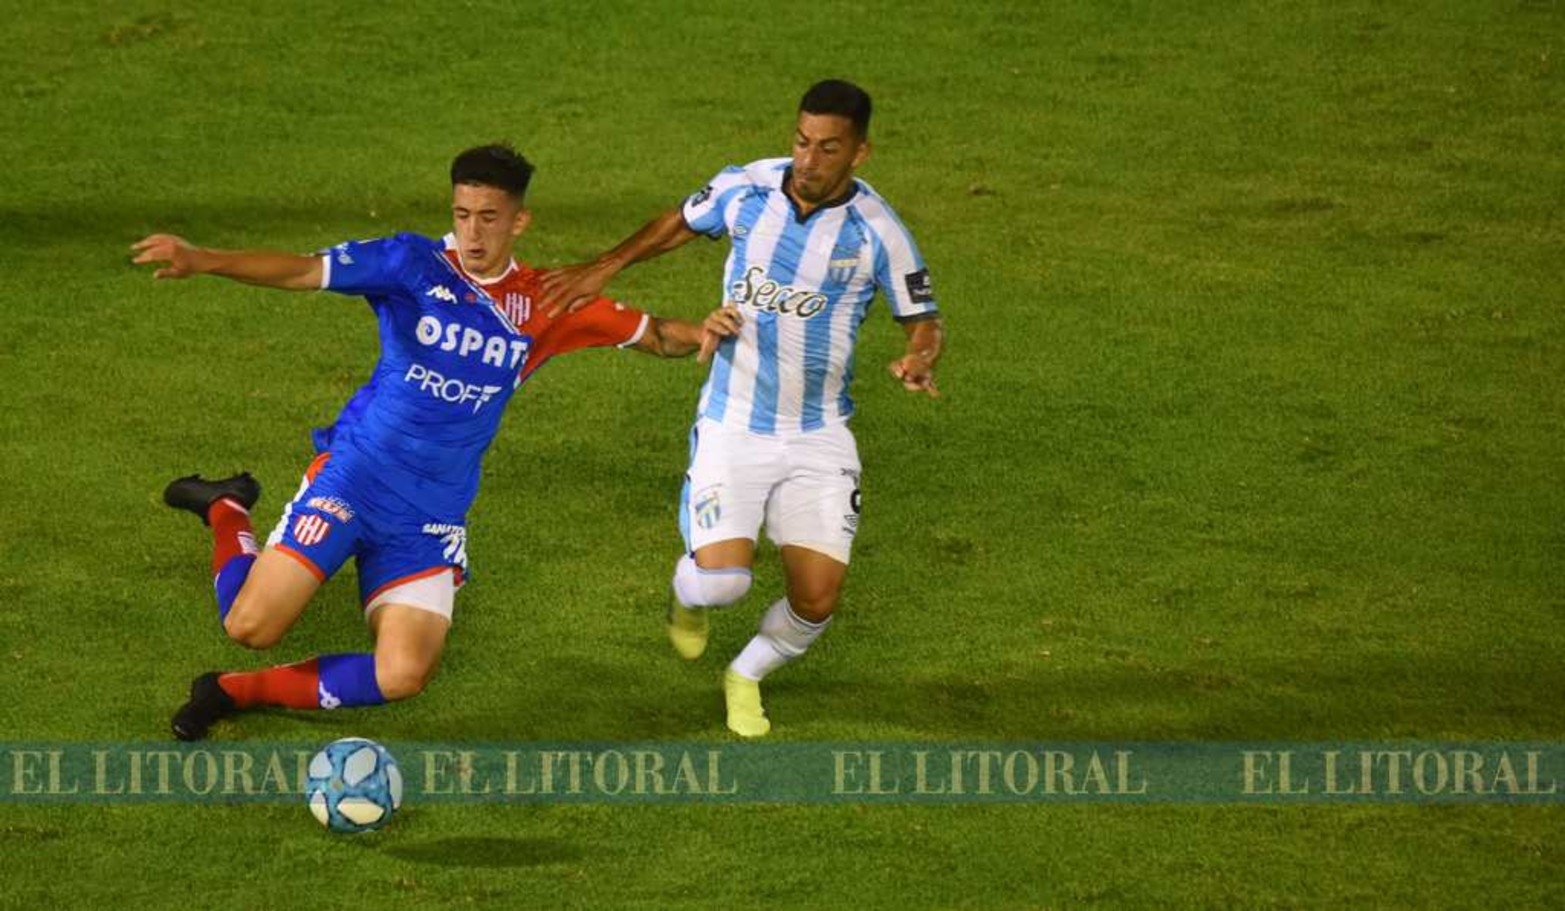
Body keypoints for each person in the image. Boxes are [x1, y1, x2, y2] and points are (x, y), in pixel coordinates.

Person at [132, 144, 725, 741]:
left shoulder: (546, 300)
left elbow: (657, 336)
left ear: (519, 221)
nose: (472, 233)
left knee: (403, 673)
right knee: (250, 626)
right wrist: (204, 259)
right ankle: (226, 508)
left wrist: (708, 332)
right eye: (462, 214)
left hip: (429, 515)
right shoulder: (410, 264)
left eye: (488, 218)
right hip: (355, 480)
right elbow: (302, 271)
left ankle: (230, 690)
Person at [539, 80, 946, 737]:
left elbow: (922, 317)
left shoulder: (877, 232)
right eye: (802, 142)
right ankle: (688, 592)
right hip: (733, 423)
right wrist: (606, 265)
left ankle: (746, 673)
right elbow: (680, 220)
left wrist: (920, 356)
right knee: (723, 583)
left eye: (828, 148)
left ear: (860, 153)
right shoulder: (747, 187)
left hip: (818, 434)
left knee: (817, 599)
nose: (808, 160)